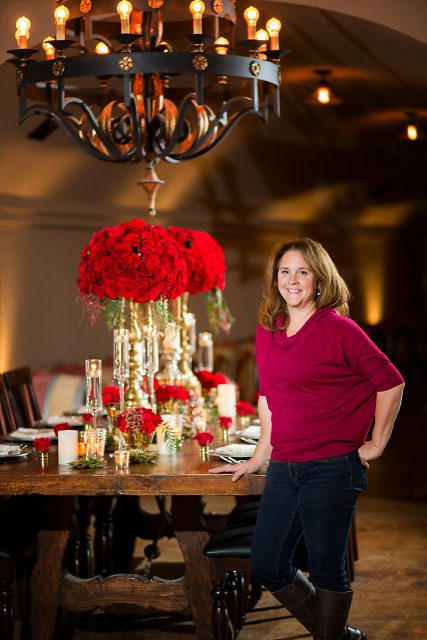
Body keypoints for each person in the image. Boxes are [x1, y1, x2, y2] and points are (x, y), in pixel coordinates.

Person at [209, 237, 404, 640]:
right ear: (275, 278)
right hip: (284, 467)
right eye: (285, 271)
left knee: (327, 567)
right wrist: (260, 454)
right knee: (267, 564)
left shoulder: (338, 328)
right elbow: (268, 398)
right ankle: (341, 636)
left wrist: (377, 442)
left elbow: (391, 382)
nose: (292, 280)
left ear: (319, 280)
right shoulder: (270, 330)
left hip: (331, 468)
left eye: (303, 271)